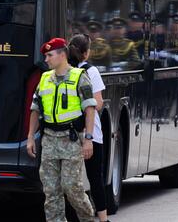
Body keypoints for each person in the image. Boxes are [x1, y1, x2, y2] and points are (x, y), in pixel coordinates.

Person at [27, 37, 97, 222]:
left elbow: (90, 108)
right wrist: (30, 138)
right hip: (49, 139)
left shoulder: (79, 77)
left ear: (62, 55)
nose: (46, 60)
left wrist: (88, 138)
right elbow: (35, 109)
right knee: (51, 191)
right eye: (46, 56)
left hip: (71, 139)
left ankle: (88, 219)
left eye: (49, 55)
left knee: (71, 187)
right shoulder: (44, 79)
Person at [68, 34, 110, 222]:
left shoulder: (64, 71)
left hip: (68, 133)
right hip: (92, 133)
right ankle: (103, 218)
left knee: (71, 180)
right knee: (95, 178)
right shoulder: (90, 71)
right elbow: (98, 103)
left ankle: (73, 216)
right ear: (86, 53)